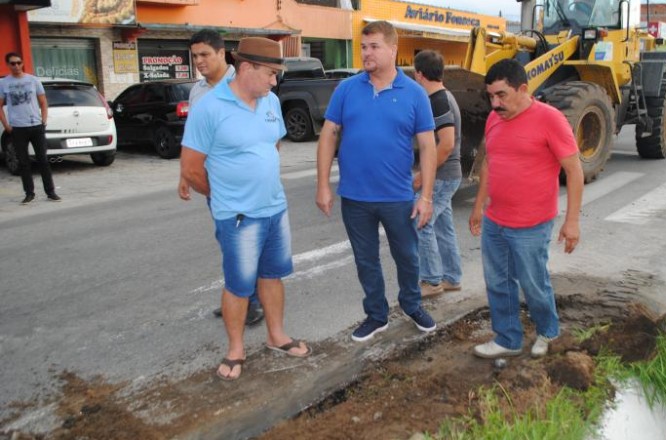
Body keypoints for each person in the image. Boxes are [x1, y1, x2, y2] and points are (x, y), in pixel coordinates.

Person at [181, 37, 311, 381]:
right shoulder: (209, 108)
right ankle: (235, 349)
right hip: (237, 216)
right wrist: (224, 195)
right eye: (271, 73)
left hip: (275, 208)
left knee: (272, 274)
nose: (274, 81)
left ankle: (276, 336)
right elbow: (192, 168)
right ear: (248, 67)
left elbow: (273, 144)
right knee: (239, 285)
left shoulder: (269, 102)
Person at [316, 20, 438, 342]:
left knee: (408, 257)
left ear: (393, 50)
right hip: (355, 197)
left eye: (373, 47)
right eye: (363, 47)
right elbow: (329, 135)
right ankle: (376, 315)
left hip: (398, 197)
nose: (366, 53)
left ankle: (412, 305)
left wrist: (426, 196)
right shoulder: (347, 89)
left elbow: (428, 146)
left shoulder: (414, 94)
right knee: (365, 259)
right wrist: (323, 184)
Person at [469, 59, 583, 360]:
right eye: (490, 96)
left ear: (523, 89)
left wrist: (572, 222)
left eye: (502, 95)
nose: (495, 103)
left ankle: (548, 330)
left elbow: (574, 170)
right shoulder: (495, 118)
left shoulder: (550, 119)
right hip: (496, 220)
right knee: (497, 282)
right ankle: (508, 338)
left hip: (532, 224)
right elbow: (489, 163)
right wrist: (479, 205)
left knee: (534, 284)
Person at [177, 29, 263, 327]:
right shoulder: (197, 91)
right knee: (227, 242)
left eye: (204, 55)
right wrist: (185, 174)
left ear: (222, 53)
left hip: (242, 182)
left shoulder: (243, 84)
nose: (198, 61)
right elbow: (193, 140)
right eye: (194, 55)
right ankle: (238, 297)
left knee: (244, 242)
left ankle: (250, 302)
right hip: (211, 183)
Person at [411, 50, 463, 298]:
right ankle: (452, 277)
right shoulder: (445, 96)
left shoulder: (439, 101)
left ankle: (431, 281)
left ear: (419, 75)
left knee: (421, 221)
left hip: (443, 175)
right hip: (449, 174)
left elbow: (446, 144)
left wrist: (423, 175)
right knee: (443, 226)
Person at [0, 52, 60, 204]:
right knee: (23, 162)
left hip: (36, 126)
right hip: (18, 128)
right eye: (13, 63)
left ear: (22, 63)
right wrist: (6, 125)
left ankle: (50, 192)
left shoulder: (33, 80)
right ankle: (29, 193)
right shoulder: (4, 83)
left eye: (19, 62)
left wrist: (44, 121)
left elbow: (43, 102)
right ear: (8, 65)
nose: (16, 66)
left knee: (43, 160)